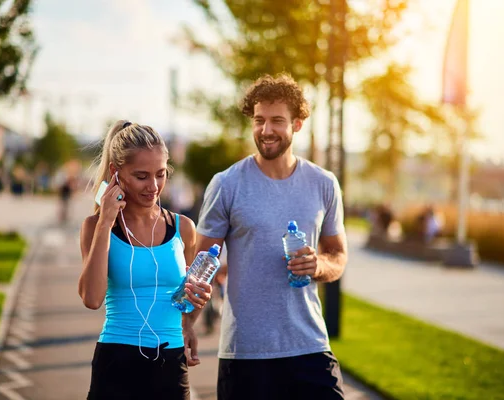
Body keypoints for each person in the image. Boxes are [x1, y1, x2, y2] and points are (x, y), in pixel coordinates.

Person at [195, 74, 348, 399]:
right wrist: (184, 327)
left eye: (277, 120)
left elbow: (337, 256)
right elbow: (198, 267)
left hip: (309, 347)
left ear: (297, 124)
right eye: (259, 120)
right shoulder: (227, 184)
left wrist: (317, 265)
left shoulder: (324, 184)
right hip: (247, 354)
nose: (266, 130)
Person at [78, 121, 212, 400]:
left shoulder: (183, 228)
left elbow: (185, 302)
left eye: (160, 174)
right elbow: (92, 298)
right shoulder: (96, 226)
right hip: (116, 363)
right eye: (141, 176)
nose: (154, 186)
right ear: (117, 173)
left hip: (171, 364)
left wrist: (193, 313)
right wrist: (106, 220)